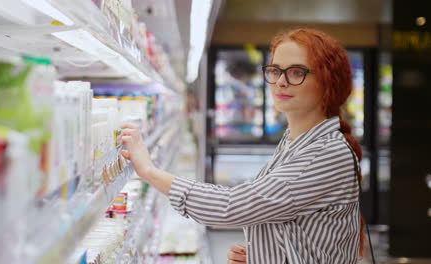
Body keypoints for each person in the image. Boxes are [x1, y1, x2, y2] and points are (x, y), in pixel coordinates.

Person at [119, 28, 364, 264]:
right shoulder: (296, 141)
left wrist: (149, 171)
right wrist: (265, 254)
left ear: (328, 81)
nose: (280, 82)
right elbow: (298, 226)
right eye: (275, 71)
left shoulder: (324, 155)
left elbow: (233, 205)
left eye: (297, 72)